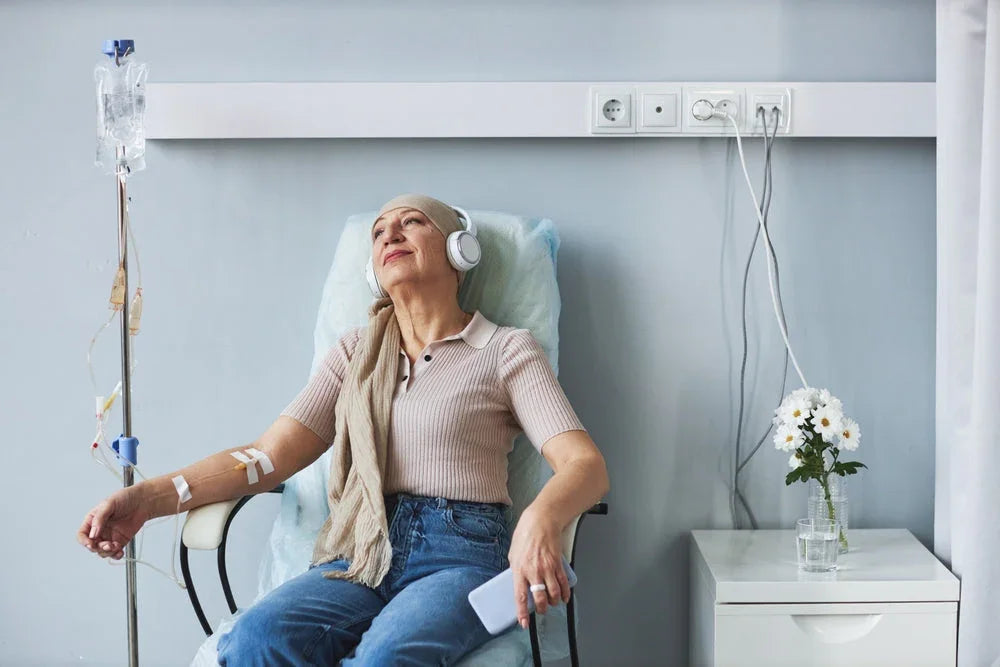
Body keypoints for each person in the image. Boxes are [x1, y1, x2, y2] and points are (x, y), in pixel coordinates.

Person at [77, 193, 610, 665]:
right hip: (360, 549)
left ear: (458, 252)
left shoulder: (505, 350)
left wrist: (539, 519)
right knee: (251, 642)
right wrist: (146, 499)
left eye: (412, 222)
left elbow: (583, 464)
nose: (390, 234)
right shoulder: (356, 354)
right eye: (379, 231)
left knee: (385, 658)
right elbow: (265, 457)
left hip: (459, 556)